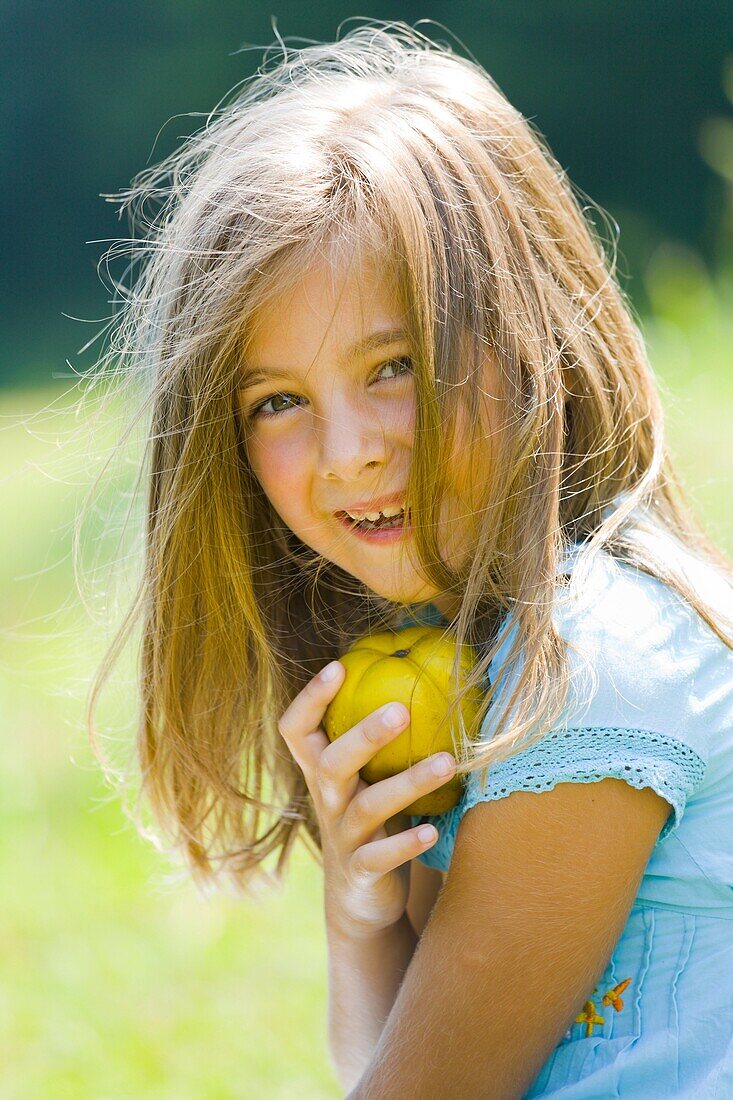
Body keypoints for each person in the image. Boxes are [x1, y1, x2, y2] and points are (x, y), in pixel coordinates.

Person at [84, 20, 733, 1099]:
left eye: (395, 365)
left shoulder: (590, 664)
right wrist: (359, 909)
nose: (350, 453)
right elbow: (384, 1061)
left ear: (531, 332)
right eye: (279, 401)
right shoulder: (481, 649)